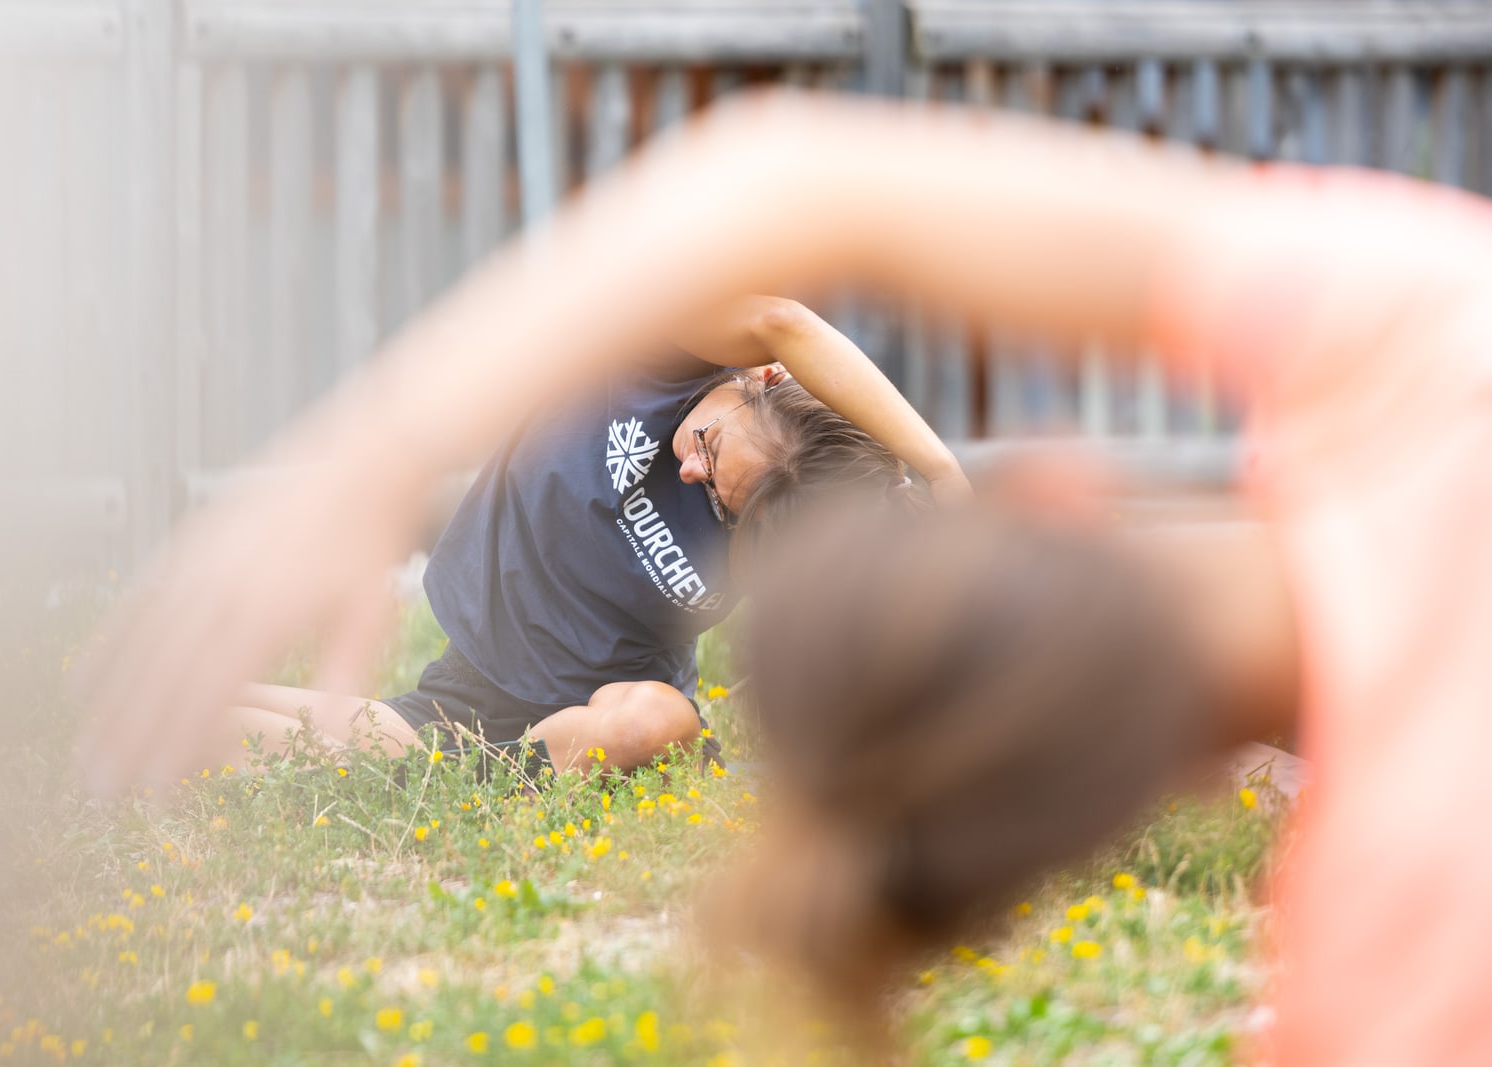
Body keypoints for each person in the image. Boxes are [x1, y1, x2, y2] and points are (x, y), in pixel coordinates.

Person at [79, 92, 1492, 1063]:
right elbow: (789, 233)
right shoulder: (1443, 351)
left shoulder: (1399, 969)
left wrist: (369, 444)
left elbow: (789, 176)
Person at [176, 295, 966, 777]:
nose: (694, 477)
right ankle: (470, 771)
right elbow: (782, 319)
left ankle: (479, 774)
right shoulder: (659, 362)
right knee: (202, 720)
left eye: (725, 506)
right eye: (712, 448)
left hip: (609, 707)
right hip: (478, 689)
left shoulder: (771, 522)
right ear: (759, 378)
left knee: (653, 722)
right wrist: (940, 466)